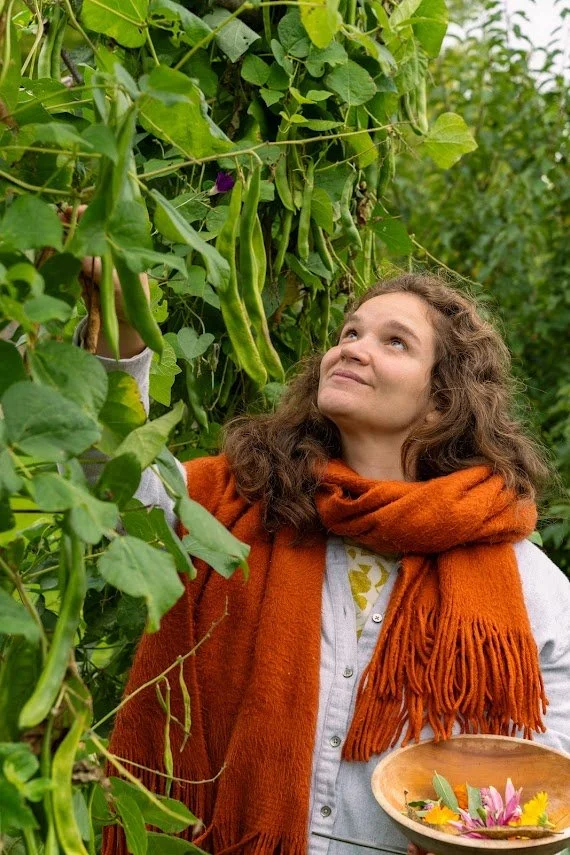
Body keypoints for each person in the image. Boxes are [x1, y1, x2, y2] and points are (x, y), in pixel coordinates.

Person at [80, 268, 570, 855]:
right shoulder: (235, 502)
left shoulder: (527, 580)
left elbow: (554, 772)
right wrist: (122, 328)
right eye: (350, 332)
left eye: (395, 342)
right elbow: (110, 487)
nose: (353, 349)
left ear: (441, 402)